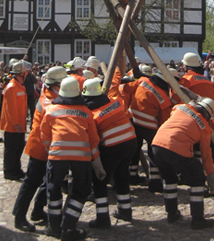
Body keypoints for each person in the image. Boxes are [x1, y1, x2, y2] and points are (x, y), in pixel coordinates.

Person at [40, 76, 104, 240]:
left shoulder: (52, 110)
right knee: (80, 192)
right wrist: (98, 165)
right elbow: (93, 140)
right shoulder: (86, 112)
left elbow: (45, 135)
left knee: (53, 191)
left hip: (57, 155)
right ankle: (68, 226)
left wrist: (52, 149)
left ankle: (54, 227)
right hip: (81, 158)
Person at [13, 66, 68, 232]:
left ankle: (37, 211)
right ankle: (19, 216)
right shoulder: (50, 102)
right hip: (41, 148)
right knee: (31, 182)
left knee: (47, 181)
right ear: (57, 84)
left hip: (46, 147)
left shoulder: (50, 95)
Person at [151, 98, 214, 230]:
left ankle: (171, 213)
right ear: (208, 115)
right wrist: (211, 180)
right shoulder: (204, 127)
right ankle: (198, 219)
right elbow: (206, 155)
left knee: (169, 179)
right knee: (197, 177)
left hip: (157, 145)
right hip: (176, 148)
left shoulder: (180, 107)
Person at [82, 78, 137, 227]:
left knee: (100, 181)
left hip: (113, 146)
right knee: (121, 176)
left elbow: (94, 138)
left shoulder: (93, 114)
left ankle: (102, 219)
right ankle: (125, 211)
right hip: (131, 141)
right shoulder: (115, 102)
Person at [123, 69, 172, 191]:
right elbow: (164, 120)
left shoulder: (142, 81)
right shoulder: (164, 98)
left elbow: (126, 89)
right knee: (153, 153)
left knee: (134, 150)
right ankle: (155, 182)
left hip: (133, 121)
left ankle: (132, 175)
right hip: (150, 127)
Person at [0, 60, 31, 180]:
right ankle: (9, 171)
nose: (27, 74)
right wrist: (16, 123)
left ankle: (16, 169)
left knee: (18, 148)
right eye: (25, 72)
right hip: (13, 125)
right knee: (11, 150)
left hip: (20, 123)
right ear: (20, 73)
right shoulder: (12, 87)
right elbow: (11, 108)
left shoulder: (19, 85)